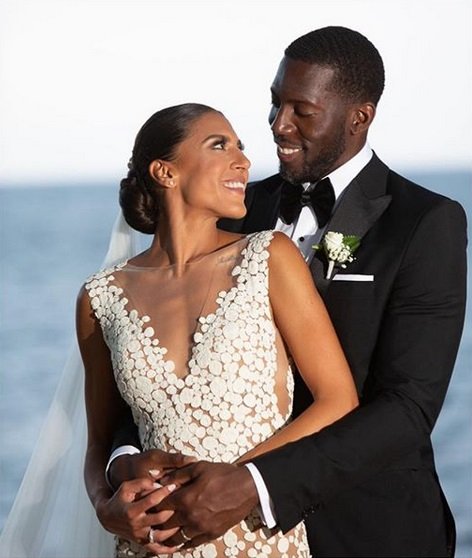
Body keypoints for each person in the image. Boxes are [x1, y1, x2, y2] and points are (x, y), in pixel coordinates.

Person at [104, 27, 468, 557]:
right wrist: (122, 466)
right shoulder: (233, 209)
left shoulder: (425, 222)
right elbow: (146, 365)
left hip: (369, 529)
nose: (278, 124)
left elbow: (407, 407)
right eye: (276, 103)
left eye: (303, 110)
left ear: (359, 117)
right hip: (214, 534)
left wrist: (253, 483)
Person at [76, 102, 359, 557]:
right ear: (165, 172)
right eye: (219, 145)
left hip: (253, 531)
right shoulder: (100, 296)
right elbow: (98, 443)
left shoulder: (268, 257)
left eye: (241, 147)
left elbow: (338, 399)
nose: (243, 161)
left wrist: (237, 482)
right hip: (154, 544)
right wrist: (104, 505)